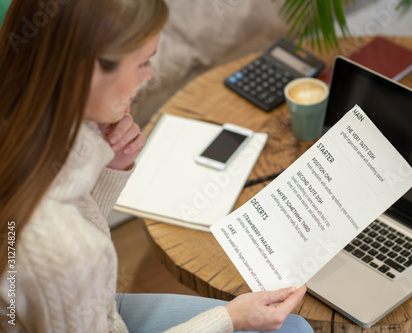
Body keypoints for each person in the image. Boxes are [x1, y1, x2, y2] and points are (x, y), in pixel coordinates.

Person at [0, 0, 314, 332]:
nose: (149, 76)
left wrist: (111, 168)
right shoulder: (69, 253)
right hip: (91, 310)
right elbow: (68, 247)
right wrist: (231, 319)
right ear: (87, 71)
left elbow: (69, 224)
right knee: (295, 329)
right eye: (143, 62)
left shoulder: (29, 130)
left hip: (88, 306)